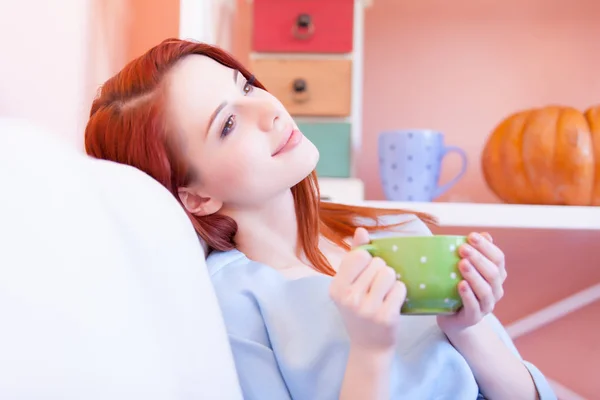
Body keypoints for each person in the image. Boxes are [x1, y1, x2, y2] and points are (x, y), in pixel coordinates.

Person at [84, 38, 556, 400]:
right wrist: (370, 351)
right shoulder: (234, 305)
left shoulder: (398, 230)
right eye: (227, 124)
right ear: (196, 198)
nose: (268, 109)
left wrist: (468, 327)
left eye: (246, 86)